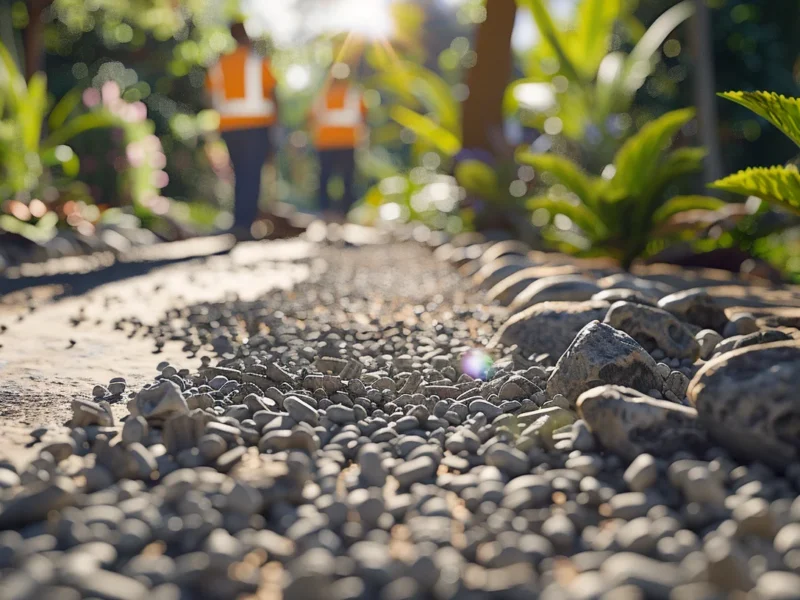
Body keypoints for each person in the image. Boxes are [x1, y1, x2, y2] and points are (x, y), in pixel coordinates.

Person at [206, 22, 278, 239]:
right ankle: (246, 223)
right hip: (257, 126)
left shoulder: (219, 63)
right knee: (252, 174)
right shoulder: (259, 61)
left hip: (230, 127)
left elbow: (209, 96)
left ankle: (240, 221)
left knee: (239, 174)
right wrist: (277, 128)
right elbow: (274, 94)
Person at [310, 63, 367, 222]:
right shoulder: (354, 94)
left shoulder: (323, 95)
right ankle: (344, 213)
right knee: (346, 179)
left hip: (326, 144)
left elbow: (312, 117)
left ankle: (326, 212)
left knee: (325, 178)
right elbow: (363, 117)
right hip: (347, 143)